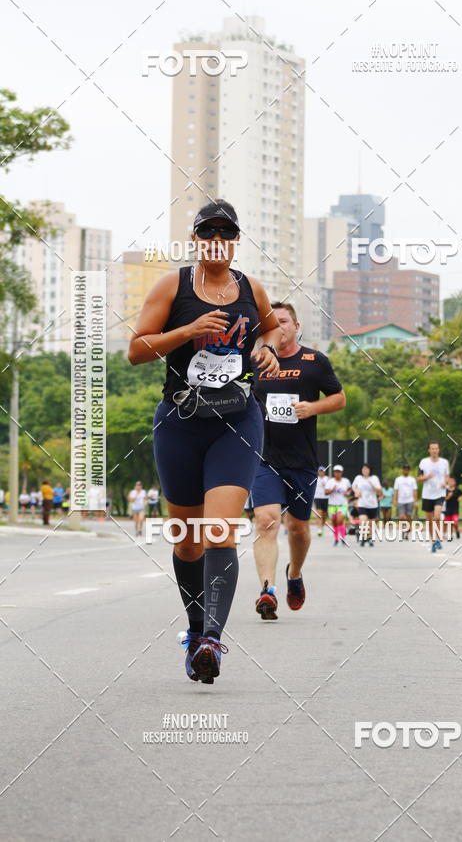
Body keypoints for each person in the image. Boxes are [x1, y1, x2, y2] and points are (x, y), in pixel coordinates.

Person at [128, 199, 281, 683]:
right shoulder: (171, 286)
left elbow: (272, 327)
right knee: (189, 541)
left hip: (236, 422)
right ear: (195, 239)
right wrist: (189, 329)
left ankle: (212, 640)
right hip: (180, 422)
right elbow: (136, 350)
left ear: (235, 241)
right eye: (207, 231)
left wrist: (266, 348)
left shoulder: (250, 288)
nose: (217, 238)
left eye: (226, 232)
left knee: (220, 531)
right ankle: (195, 632)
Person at [251, 302, 345, 620]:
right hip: (264, 459)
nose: (280, 327)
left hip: (302, 460)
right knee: (266, 522)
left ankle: (294, 574)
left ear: (296, 325)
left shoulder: (314, 361)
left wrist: (312, 408)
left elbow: (339, 398)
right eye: (273, 323)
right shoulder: (256, 362)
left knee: (299, 529)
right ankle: (267, 589)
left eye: (285, 321)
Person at [417, 442, 450, 552]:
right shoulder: (424, 462)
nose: (434, 450)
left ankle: (438, 538)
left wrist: (445, 483)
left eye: (436, 448)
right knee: (429, 520)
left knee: (437, 517)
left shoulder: (444, 462)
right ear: (429, 450)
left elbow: (447, 476)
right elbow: (419, 477)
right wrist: (427, 477)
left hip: (440, 493)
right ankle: (434, 540)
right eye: (432, 448)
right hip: (427, 494)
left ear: (439, 450)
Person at [352, 464, 382, 547]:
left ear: (370, 470)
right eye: (363, 469)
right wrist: (356, 491)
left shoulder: (374, 478)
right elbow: (354, 486)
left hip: (373, 504)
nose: (365, 470)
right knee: (363, 521)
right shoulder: (358, 478)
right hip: (362, 503)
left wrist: (372, 484)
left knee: (371, 523)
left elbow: (379, 491)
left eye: (367, 469)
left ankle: (370, 538)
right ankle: (364, 537)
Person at [326, 466, 352, 545]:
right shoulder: (330, 482)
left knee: (339, 520)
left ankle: (343, 537)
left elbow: (350, 489)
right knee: (334, 522)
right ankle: (336, 538)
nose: (337, 473)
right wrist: (332, 490)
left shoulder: (345, 481)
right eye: (336, 471)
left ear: (341, 472)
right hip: (332, 505)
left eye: (339, 472)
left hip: (342, 504)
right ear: (334, 473)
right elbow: (326, 492)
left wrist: (347, 493)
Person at [394, 464, 418, 539]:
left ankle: (407, 532)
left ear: (409, 470)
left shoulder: (412, 479)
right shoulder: (398, 479)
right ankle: (403, 529)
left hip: (409, 500)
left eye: (407, 469)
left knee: (408, 517)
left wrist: (415, 501)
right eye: (404, 469)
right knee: (401, 517)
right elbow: (396, 490)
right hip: (401, 500)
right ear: (402, 470)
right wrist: (395, 499)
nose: (406, 471)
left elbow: (415, 491)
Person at [313, 467, 330, 536]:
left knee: (325, 514)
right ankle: (319, 528)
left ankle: (322, 526)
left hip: (326, 498)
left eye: (322, 471)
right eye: (320, 471)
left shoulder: (328, 479)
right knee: (319, 513)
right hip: (317, 497)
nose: (321, 472)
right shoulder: (315, 478)